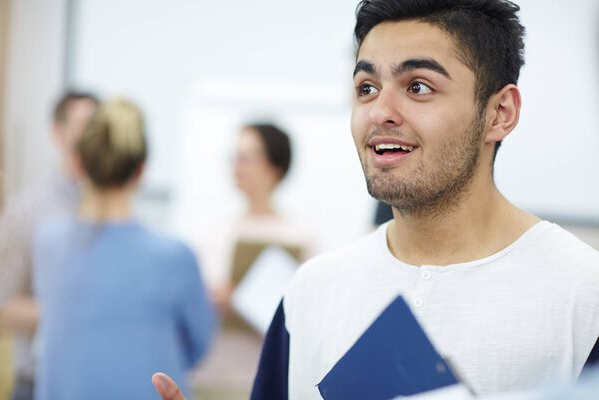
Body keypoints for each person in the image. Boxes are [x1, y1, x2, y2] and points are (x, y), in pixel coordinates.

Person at [153, 0, 599, 399]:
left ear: (499, 113)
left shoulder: (583, 295)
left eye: (418, 86)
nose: (380, 111)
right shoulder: (310, 293)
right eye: (366, 87)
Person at [32, 97, 216, 399]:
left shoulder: (48, 244)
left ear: (78, 163)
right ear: (142, 170)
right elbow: (197, 349)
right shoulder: (174, 256)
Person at [191, 123, 314, 399]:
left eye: (247, 157)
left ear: (275, 167)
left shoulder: (302, 238)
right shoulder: (213, 232)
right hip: (215, 373)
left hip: (271, 375)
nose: (237, 166)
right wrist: (212, 298)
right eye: (235, 157)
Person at [0, 91, 98, 400]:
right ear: (58, 132)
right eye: (85, 125)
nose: (94, 136)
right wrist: (73, 312)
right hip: (38, 383)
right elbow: (3, 305)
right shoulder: (26, 210)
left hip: (100, 381)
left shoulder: (120, 211)